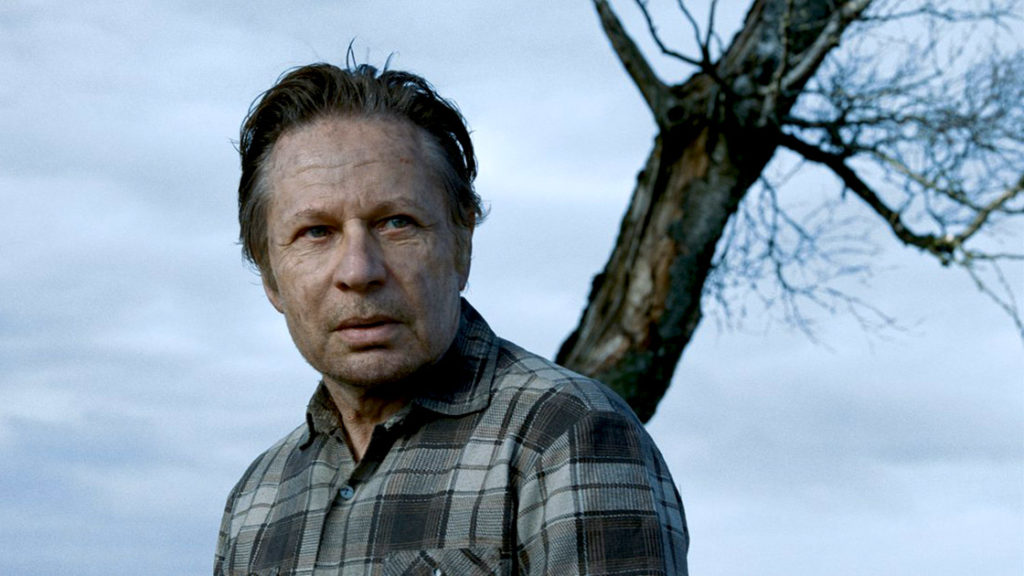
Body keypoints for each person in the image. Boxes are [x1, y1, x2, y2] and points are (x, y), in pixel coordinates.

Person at [215, 61, 689, 576]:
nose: (359, 270)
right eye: (315, 232)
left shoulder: (568, 435)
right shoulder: (255, 501)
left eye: (397, 223)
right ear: (270, 276)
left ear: (462, 243)